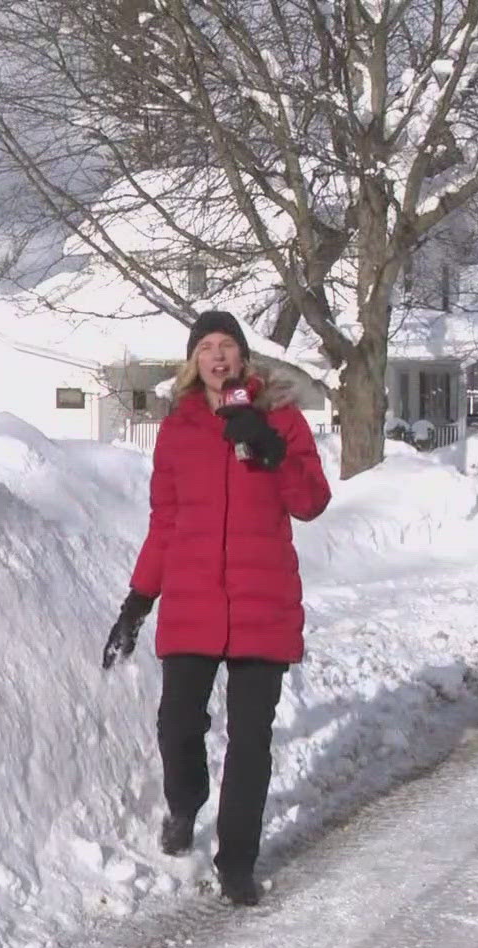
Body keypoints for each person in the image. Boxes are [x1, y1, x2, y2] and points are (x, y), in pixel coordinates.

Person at [101, 310, 331, 906]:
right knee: (177, 723)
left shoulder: (281, 419)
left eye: (228, 346)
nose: (219, 357)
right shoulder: (178, 431)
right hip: (193, 601)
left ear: (244, 357)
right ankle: (184, 804)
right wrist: (137, 601)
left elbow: (311, 503)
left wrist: (270, 447)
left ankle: (237, 862)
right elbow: (166, 523)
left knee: (250, 739)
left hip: (263, 603)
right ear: (192, 361)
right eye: (207, 347)